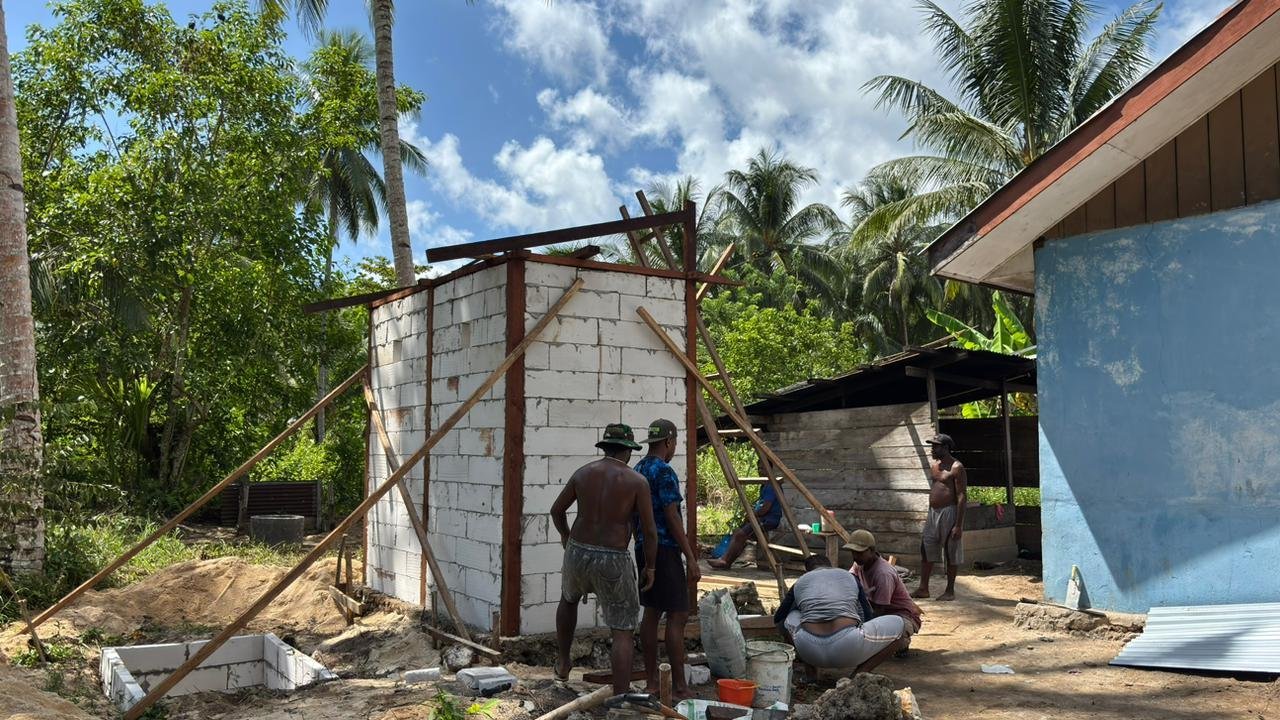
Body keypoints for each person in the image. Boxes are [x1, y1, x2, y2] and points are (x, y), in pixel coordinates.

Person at [551, 423, 658, 694]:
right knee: (622, 629)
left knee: (568, 599)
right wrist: (651, 566)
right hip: (613, 557)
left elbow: (556, 510)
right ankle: (620, 697)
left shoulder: (583, 473)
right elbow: (649, 531)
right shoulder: (636, 481)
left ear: (605, 447)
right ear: (628, 450)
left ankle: (563, 664)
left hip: (578, 550)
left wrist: (566, 536)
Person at [634, 418, 700, 700]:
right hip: (665, 549)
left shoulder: (638, 469)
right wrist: (691, 557)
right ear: (669, 442)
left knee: (651, 612)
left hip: (643, 548)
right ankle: (679, 687)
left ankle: (651, 682)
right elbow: (672, 516)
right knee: (678, 614)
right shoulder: (664, 471)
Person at [773, 555, 904, 674]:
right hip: (848, 647)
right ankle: (858, 676)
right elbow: (867, 614)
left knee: (792, 615)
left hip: (809, 650)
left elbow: (779, 617)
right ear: (830, 566)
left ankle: (811, 672)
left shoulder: (800, 582)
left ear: (808, 571)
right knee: (900, 624)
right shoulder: (849, 577)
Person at [845, 529, 922, 651]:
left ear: (871, 551)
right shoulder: (859, 564)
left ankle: (901, 641)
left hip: (902, 616)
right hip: (878, 610)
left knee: (880, 641)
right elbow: (849, 582)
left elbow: (879, 611)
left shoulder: (883, 574)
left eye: (859, 553)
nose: (855, 556)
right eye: (853, 552)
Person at [913, 433, 967, 601]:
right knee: (926, 548)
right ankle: (923, 588)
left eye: (935, 446)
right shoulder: (935, 466)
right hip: (933, 513)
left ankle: (950, 591)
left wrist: (958, 525)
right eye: (932, 446)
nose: (932, 449)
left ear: (945, 447)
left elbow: (962, 496)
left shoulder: (957, 467)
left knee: (951, 551)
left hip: (949, 512)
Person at [708, 463, 783, 570]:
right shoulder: (764, 484)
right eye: (759, 468)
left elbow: (765, 508)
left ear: (770, 469)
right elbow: (761, 505)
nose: (760, 470)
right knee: (737, 532)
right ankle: (726, 560)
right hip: (762, 518)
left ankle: (725, 560)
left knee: (740, 535)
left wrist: (752, 515)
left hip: (769, 519)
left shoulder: (771, 485)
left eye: (763, 468)